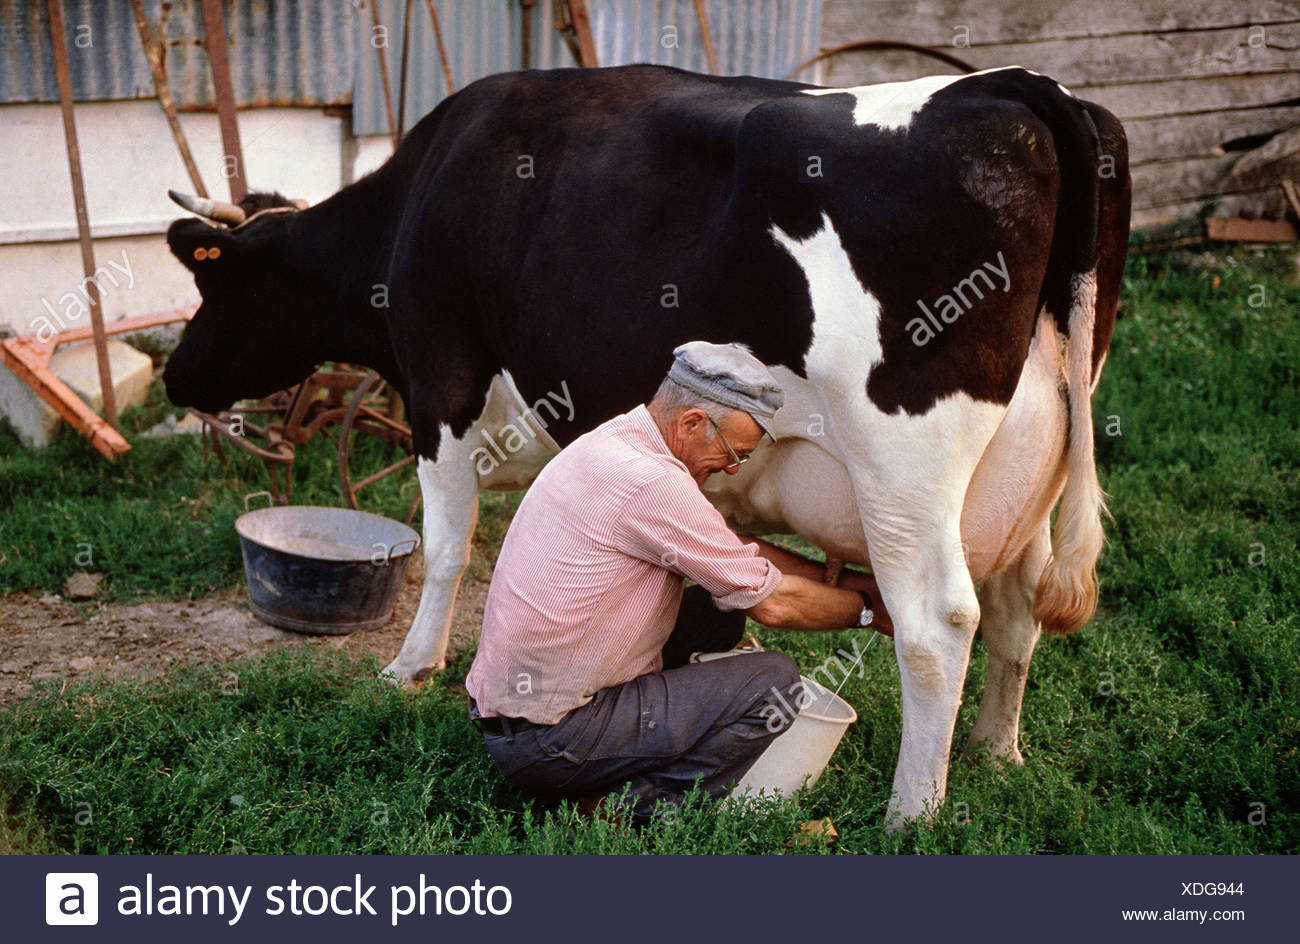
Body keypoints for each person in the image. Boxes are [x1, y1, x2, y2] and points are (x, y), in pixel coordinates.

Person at [465, 341, 892, 823]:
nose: (733, 468)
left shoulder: (618, 441)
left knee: (715, 616)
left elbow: (728, 547)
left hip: (513, 714)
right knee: (774, 684)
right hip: (548, 742)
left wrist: (847, 580)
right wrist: (868, 611)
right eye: (735, 452)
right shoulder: (652, 484)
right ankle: (625, 809)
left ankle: (637, 737)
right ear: (691, 422)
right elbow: (774, 606)